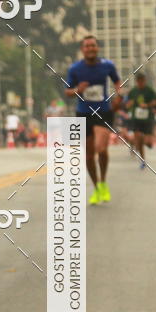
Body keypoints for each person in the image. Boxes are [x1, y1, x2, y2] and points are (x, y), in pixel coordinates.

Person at [65, 35, 122, 204]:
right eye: (87, 46)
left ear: (97, 48)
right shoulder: (75, 69)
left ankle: (103, 181)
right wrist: (77, 89)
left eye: (93, 45)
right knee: (89, 156)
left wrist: (119, 95)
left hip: (103, 112)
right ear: (82, 50)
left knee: (101, 149)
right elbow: (67, 92)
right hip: (83, 114)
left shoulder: (107, 66)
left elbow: (118, 82)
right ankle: (97, 188)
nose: (90, 48)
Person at [128, 72, 156, 170]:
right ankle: (142, 160)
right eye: (139, 81)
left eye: (143, 81)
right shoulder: (133, 91)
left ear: (145, 81)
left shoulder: (149, 90)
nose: (141, 83)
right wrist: (130, 104)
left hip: (148, 118)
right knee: (139, 138)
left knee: (148, 143)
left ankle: (141, 142)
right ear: (137, 81)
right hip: (136, 118)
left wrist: (148, 105)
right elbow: (127, 104)